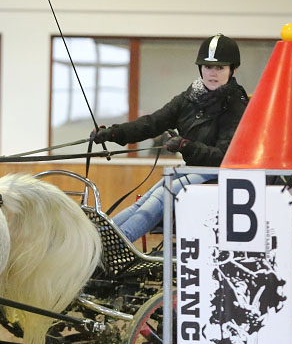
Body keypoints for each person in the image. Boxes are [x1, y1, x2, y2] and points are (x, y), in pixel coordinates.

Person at [92, 33, 249, 243]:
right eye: (208, 67)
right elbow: (152, 123)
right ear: (200, 68)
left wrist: (186, 145)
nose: (213, 73)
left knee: (162, 195)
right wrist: (113, 133)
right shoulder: (188, 98)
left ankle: (119, 244)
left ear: (232, 70)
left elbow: (223, 156)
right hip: (192, 171)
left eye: (220, 68)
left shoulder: (236, 105)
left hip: (218, 174)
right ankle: (96, 242)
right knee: (143, 200)